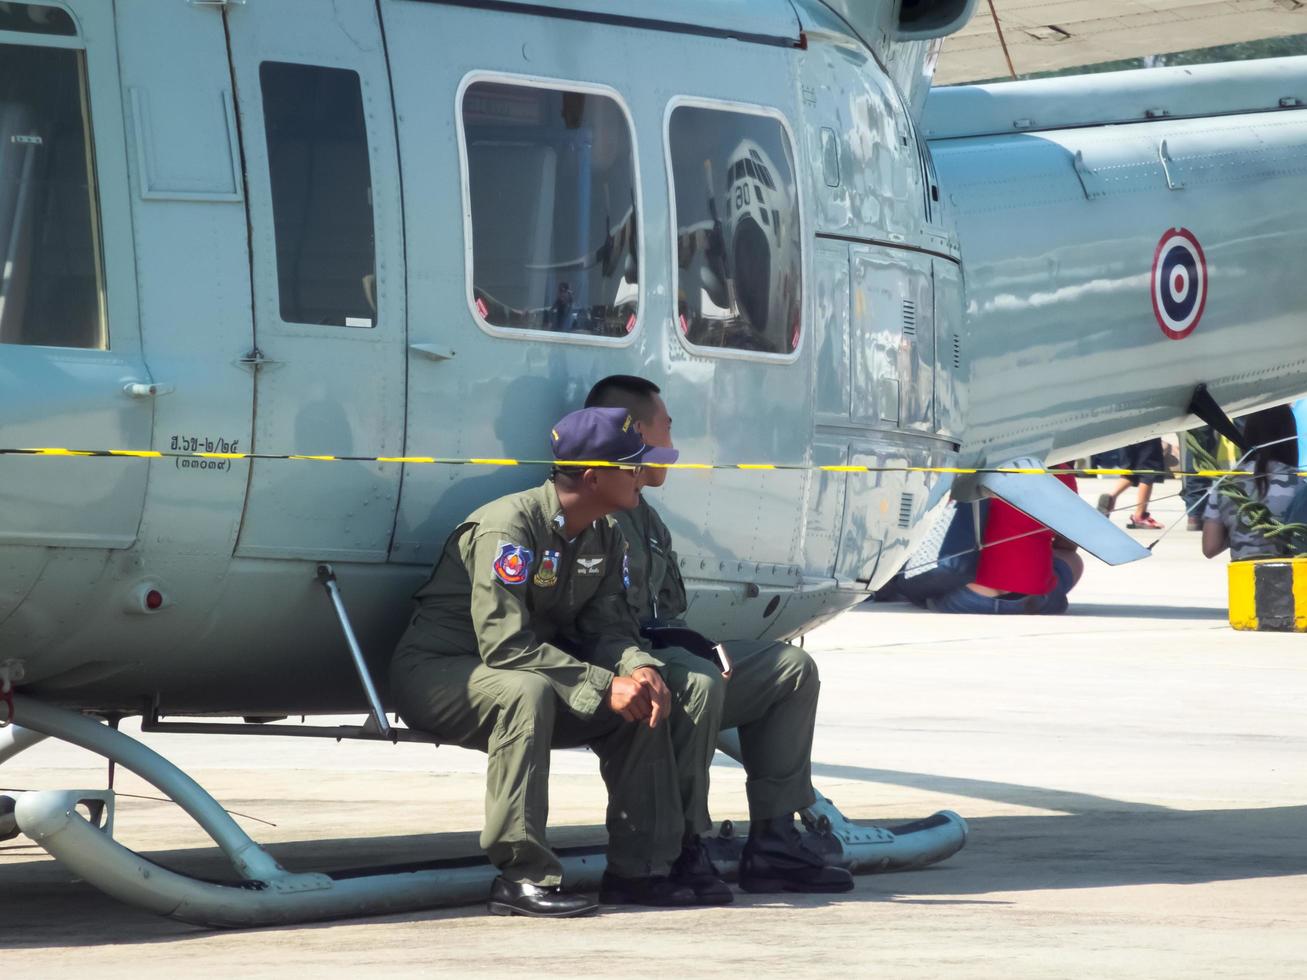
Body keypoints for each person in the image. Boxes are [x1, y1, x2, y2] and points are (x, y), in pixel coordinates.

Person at [389, 406, 722, 918]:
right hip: (444, 673)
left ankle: (640, 870)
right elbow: (504, 647)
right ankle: (520, 876)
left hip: (532, 670)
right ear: (593, 477)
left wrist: (636, 667)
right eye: (631, 467)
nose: (642, 477)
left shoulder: (606, 533)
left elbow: (606, 627)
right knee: (526, 691)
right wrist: (599, 683)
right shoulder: (509, 528)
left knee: (641, 699)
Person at [585, 375, 853, 894]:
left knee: (790, 671)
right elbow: (595, 623)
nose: (674, 446)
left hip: (663, 656)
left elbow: (668, 612)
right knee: (699, 683)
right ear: (638, 432)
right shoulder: (599, 515)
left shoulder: (645, 516)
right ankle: (681, 846)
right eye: (667, 428)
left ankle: (775, 840)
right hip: (616, 667)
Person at [927, 469, 1084, 615]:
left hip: (970, 597)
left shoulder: (972, 467)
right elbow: (1069, 543)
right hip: (1031, 600)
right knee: (1072, 559)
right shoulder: (1060, 472)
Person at [1202, 405, 1303, 561]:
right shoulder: (1299, 486)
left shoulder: (1226, 485)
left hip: (1243, 581)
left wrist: (1241, 529)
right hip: (1291, 580)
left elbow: (1210, 548)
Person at [1096, 437, 1166, 529]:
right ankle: (1140, 515)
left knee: (1131, 471)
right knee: (1148, 470)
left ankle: (1111, 497)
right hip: (1148, 431)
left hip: (1129, 434)